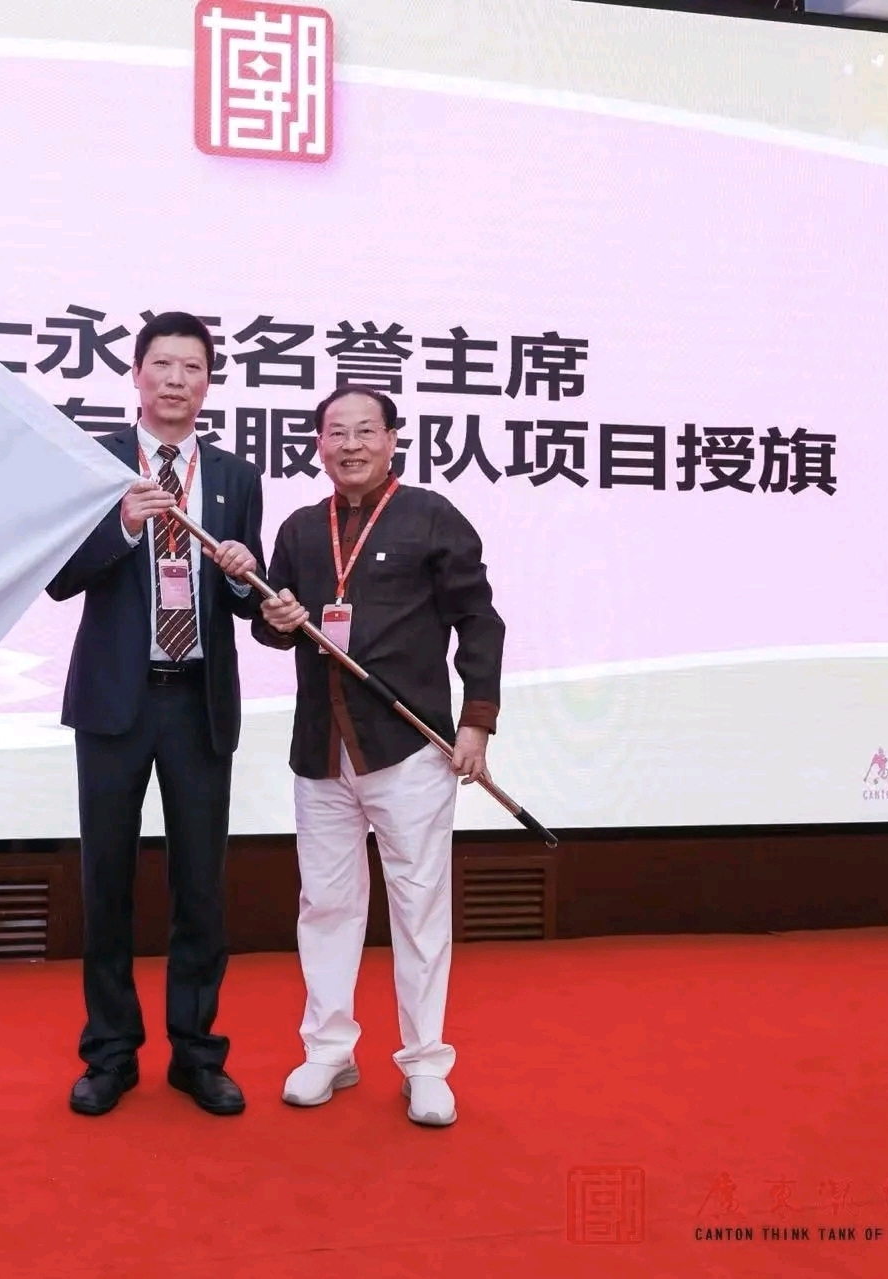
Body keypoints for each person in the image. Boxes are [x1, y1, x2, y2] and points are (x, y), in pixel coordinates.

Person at [252, 387, 505, 1127]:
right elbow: (274, 629)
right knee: (326, 904)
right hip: (321, 750)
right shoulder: (302, 528)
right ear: (318, 445)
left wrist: (477, 722)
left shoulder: (431, 516)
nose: (351, 445)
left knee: (418, 907)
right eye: (336, 433)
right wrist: (276, 618)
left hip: (409, 747)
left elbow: (479, 621)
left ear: (393, 439)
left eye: (366, 431)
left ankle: (425, 1062)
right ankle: (329, 1049)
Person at [46, 311, 265, 1117]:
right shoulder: (96, 463)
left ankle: (197, 1053)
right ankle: (109, 1052)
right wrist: (124, 526)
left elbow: (248, 601)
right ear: (136, 374)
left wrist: (242, 574)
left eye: (192, 368)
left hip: (198, 701)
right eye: (163, 365)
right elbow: (59, 577)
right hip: (116, 700)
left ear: (208, 383)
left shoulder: (236, 477)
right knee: (106, 881)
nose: (176, 380)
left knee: (200, 885)